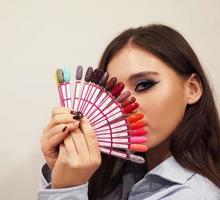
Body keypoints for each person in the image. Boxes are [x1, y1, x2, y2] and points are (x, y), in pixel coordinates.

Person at [38, 24, 220, 200]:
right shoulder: (120, 177)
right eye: (113, 94)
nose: (123, 106)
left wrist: (67, 191)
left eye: (144, 85)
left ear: (193, 89)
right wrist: (61, 171)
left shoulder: (192, 195)